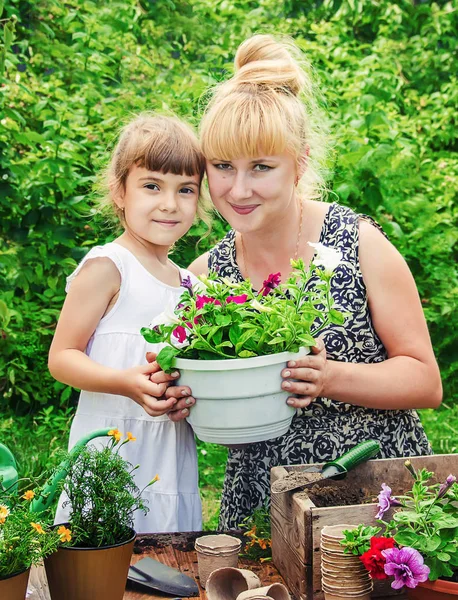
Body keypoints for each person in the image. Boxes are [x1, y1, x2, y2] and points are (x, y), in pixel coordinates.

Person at [165, 34, 443, 530]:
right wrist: (180, 392)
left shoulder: (357, 244)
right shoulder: (207, 275)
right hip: (259, 501)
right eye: (223, 167)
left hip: (374, 498)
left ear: (301, 163)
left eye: (262, 168)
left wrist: (329, 377)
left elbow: (426, 381)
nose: (239, 189)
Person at [48, 114, 206, 533]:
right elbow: (62, 358)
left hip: (169, 453)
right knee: (101, 564)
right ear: (120, 191)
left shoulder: (192, 285)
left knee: (169, 564)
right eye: (152, 185)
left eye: (185, 189)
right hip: (111, 449)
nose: (170, 203)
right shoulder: (109, 266)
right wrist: (126, 383)